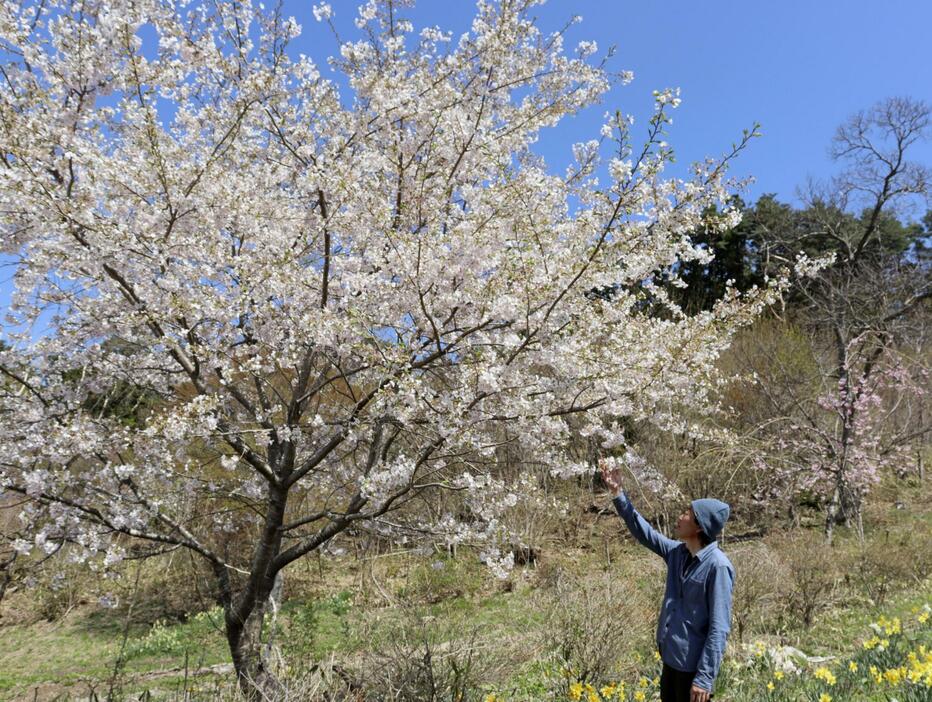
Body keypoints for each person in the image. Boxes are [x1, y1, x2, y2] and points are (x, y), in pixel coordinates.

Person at [600, 459, 735, 702]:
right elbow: (644, 533)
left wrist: (704, 678)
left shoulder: (718, 566)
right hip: (671, 659)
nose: (680, 516)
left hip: (693, 670)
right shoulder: (677, 553)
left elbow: (719, 627)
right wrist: (618, 492)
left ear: (699, 526)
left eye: (687, 513)